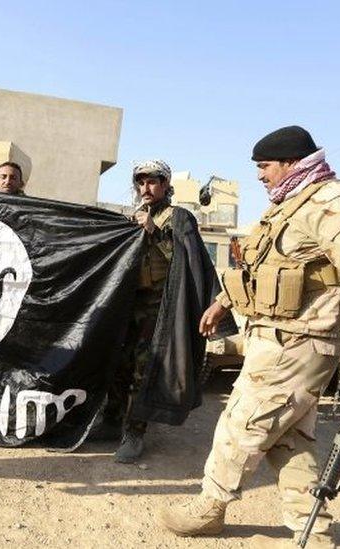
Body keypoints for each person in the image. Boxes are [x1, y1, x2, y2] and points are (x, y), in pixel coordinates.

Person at [160, 126, 340, 548]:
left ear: (290, 162)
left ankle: (211, 506)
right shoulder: (287, 205)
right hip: (276, 337)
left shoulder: (336, 201)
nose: (260, 176)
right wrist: (223, 302)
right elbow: (258, 266)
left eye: (264, 167)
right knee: (288, 439)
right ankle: (313, 532)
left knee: (241, 423)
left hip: (300, 341)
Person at [97, 159, 232, 464]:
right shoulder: (135, 216)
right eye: (141, 182)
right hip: (131, 305)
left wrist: (154, 232)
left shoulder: (179, 217)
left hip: (161, 309)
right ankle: (110, 421)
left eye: (153, 181)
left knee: (142, 371)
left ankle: (134, 432)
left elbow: (186, 262)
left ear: (166, 185)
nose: (146, 187)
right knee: (119, 362)